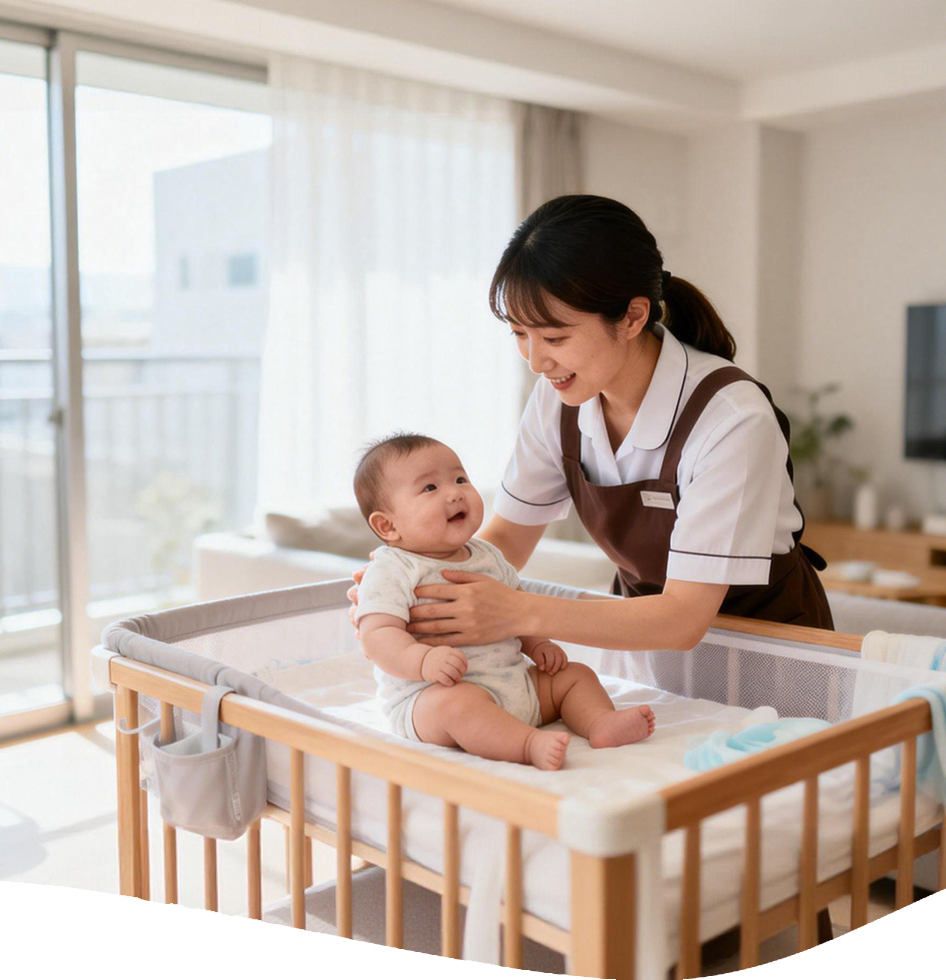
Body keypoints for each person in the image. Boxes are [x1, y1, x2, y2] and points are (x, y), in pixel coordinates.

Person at [353, 194, 831, 658]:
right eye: (520, 334)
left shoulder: (732, 418)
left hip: (774, 656)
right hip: (646, 646)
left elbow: (684, 619)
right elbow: (507, 542)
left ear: (633, 317)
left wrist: (517, 612)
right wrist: (413, 583)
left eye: (555, 337)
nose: (536, 361)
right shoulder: (559, 398)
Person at [352, 433, 656, 770]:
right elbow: (377, 636)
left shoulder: (489, 556)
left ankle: (599, 722)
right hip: (432, 696)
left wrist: (538, 643)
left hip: (516, 685)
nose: (454, 493)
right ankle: (527, 744)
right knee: (458, 705)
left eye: (460, 479)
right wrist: (422, 660)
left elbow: (517, 606)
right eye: (430, 488)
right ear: (387, 525)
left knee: (575, 675)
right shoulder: (392, 569)